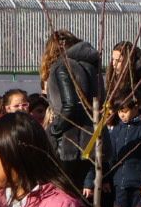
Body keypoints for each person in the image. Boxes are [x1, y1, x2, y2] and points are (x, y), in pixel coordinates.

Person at [40, 30, 103, 187]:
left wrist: (54, 130)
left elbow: (70, 106)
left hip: (68, 141)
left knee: (63, 191)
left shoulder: (62, 66)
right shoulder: (91, 66)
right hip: (91, 137)